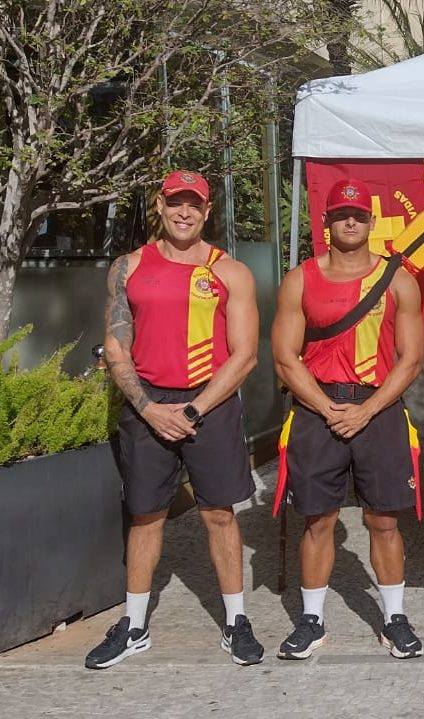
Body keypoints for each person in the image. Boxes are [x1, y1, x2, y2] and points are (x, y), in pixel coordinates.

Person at [87, 170, 263, 669]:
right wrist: (147, 408)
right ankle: (134, 625)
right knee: (145, 514)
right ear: (160, 206)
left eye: (194, 204)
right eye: (175, 202)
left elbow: (246, 355)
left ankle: (236, 621)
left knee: (219, 513)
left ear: (206, 212)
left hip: (211, 404)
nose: (184, 212)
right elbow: (116, 345)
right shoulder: (128, 266)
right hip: (147, 406)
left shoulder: (230, 271)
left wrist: (192, 409)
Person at [271, 178, 424, 660]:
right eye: (341, 214)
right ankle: (311, 621)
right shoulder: (300, 279)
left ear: (371, 222)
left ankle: (394, 618)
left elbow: (411, 359)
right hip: (318, 408)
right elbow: (284, 357)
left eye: (358, 215)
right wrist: (325, 406)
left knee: (384, 519)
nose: (351, 222)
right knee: (318, 519)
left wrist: (367, 409)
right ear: (327, 222)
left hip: (378, 408)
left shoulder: (399, 279)